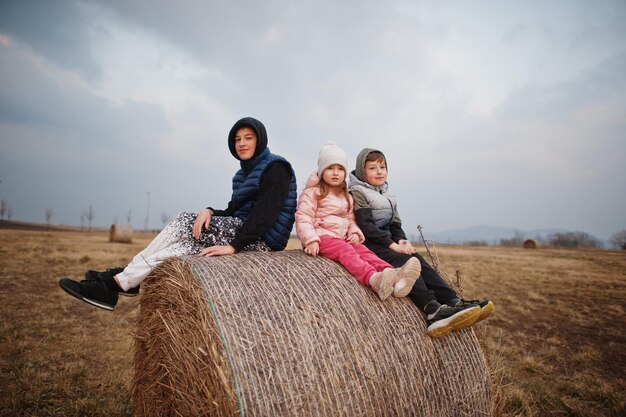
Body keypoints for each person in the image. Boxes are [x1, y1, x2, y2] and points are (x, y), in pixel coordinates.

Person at [59, 117, 297, 311]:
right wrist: (210, 211)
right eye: (237, 139)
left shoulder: (276, 168)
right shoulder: (241, 175)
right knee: (183, 249)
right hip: (241, 230)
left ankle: (119, 279)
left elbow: (266, 213)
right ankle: (124, 280)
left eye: (248, 138)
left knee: (185, 221)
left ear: (260, 140)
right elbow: (234, 210)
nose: (241, 143)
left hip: (261, 241)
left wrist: (234, 246)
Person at [348, 148, 494, 338]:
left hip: (389, 241)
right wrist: (394, 246)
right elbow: (366, 226)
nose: (379, 172)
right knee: (407, 265)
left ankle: (452, 300)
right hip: (370, 244)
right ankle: (431, 309)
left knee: (419, 261)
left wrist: (401, 239)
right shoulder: (357, 191)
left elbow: (395, 224)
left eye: (382, 167)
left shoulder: (388, 195)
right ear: (361, 171)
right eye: (373, 168)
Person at [295, 143, 422, 301]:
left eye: (340, 169)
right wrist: (310, 240)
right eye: (330, 168)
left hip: (342, 237)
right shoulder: (312, 193)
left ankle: (393, 275)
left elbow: (350, 219)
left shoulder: (346, 195)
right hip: (322, 237)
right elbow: (303, 217)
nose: (336, 173)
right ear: (321, 171)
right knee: (346, 251)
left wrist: (354, 232)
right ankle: (372, 279)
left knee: (364, 251)